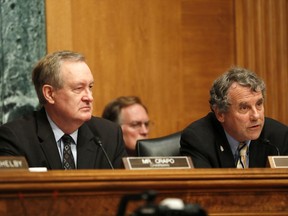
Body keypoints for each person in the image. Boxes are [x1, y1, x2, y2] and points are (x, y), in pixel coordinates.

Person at [0, 50, 127, 169]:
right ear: (49, 94)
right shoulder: (16, 138)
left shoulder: (109, 135)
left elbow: (124, 189)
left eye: (90, 87)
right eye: (78, 88)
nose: (89, 97)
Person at [180, 66, 288, 168]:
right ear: (220, 114)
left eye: (259, 104)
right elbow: (203, 186)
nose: (256, 116)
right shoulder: (198, 140)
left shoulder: (280, 137)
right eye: (244, 108)